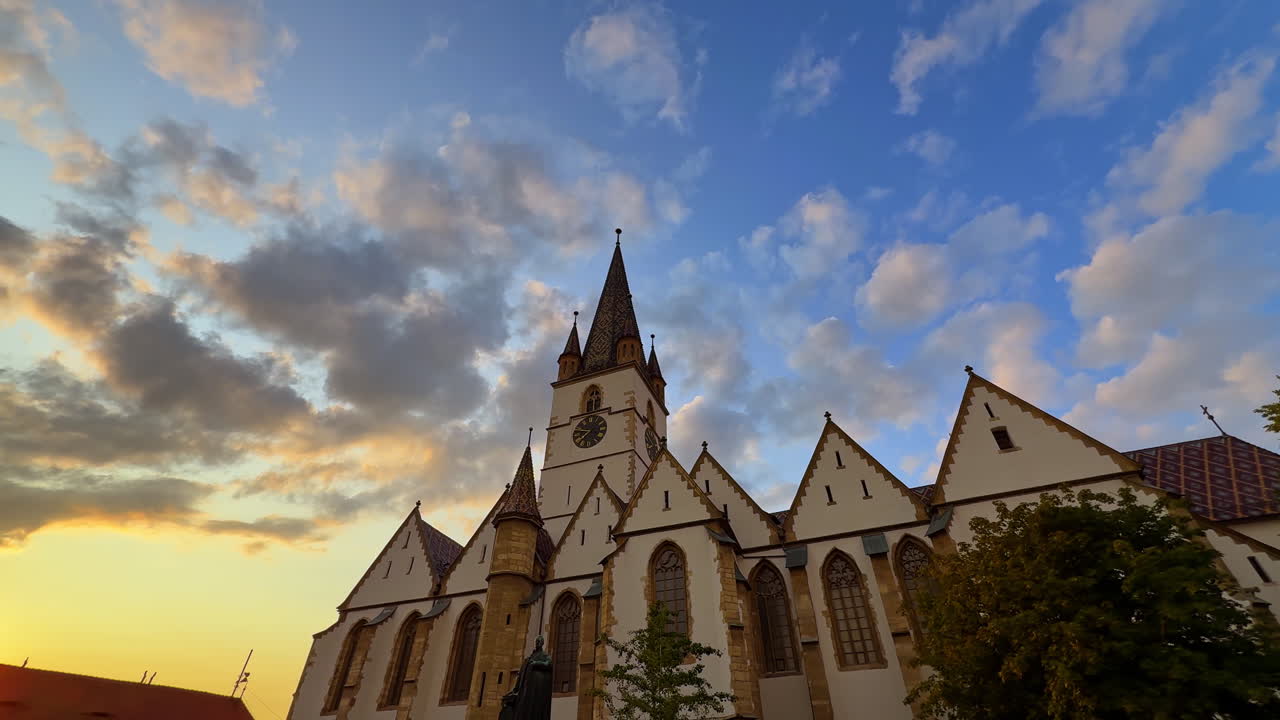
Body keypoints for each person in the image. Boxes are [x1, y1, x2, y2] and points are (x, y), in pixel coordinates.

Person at [499, 635, 552, 720]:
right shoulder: (528, 659)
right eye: (537, 641)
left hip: (537, 690)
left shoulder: (545, 656)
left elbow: (549, 664)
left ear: (542, 643)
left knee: (533, 709)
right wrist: (515, 690)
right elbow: (520, 676)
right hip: (526, 689)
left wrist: (536, 663)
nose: (538, 643)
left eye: (539, 641)